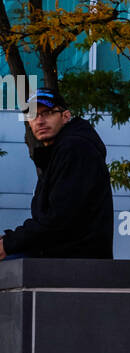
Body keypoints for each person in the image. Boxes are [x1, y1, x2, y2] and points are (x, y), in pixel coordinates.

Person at [0, 89, 113, 260]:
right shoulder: (57, 154)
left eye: (48, 113)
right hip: (62, 255)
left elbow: (57, 220)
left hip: (73, 260)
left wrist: (8, 244)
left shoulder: (75, 149)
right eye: (33, 115)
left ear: (65, 116)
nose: (40, 120)